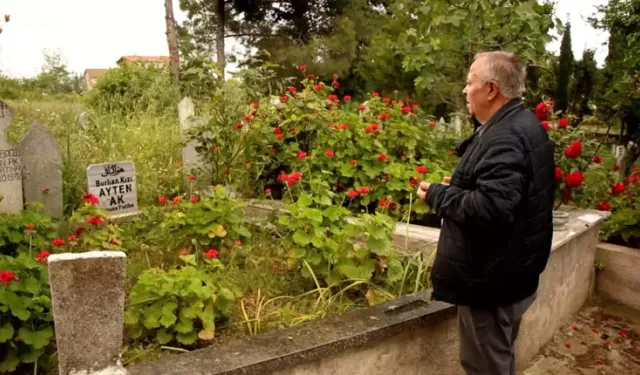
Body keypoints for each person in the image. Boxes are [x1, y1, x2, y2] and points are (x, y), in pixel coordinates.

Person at [416, 51, 555, 375]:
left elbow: (492, 209)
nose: (465, 90)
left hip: (492, 283)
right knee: (498, 358)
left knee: (484, 367)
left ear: (491, 89)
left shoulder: (505, 136)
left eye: (470, 82)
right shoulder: (521, 123)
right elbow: (514, 194)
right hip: (512, 275)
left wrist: (439, 194)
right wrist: (463, 187)